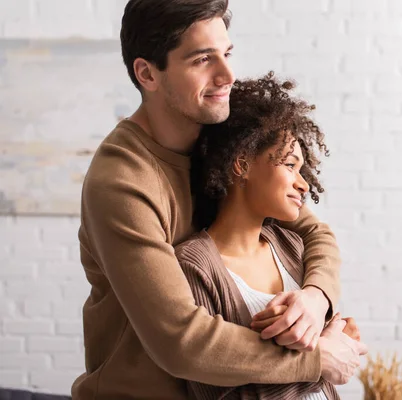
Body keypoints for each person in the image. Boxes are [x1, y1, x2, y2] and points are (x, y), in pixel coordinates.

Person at [71, 0, 366, 399]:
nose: (227, 74)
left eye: (226, 53)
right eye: (201, 60)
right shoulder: (123, 180)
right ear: (147, 73)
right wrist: (317, 359)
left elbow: (315, 232)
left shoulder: (217, 141)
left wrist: (316, 299)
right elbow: (182, 341)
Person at [175, 72, 366, 399]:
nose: (303, 183)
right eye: (290, 165)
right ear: (242, 164)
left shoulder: (291, 245)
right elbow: (215, 392)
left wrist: (335, 335)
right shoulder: (195, 266)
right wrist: (321, 359)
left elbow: (327, 344)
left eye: (303, 170)